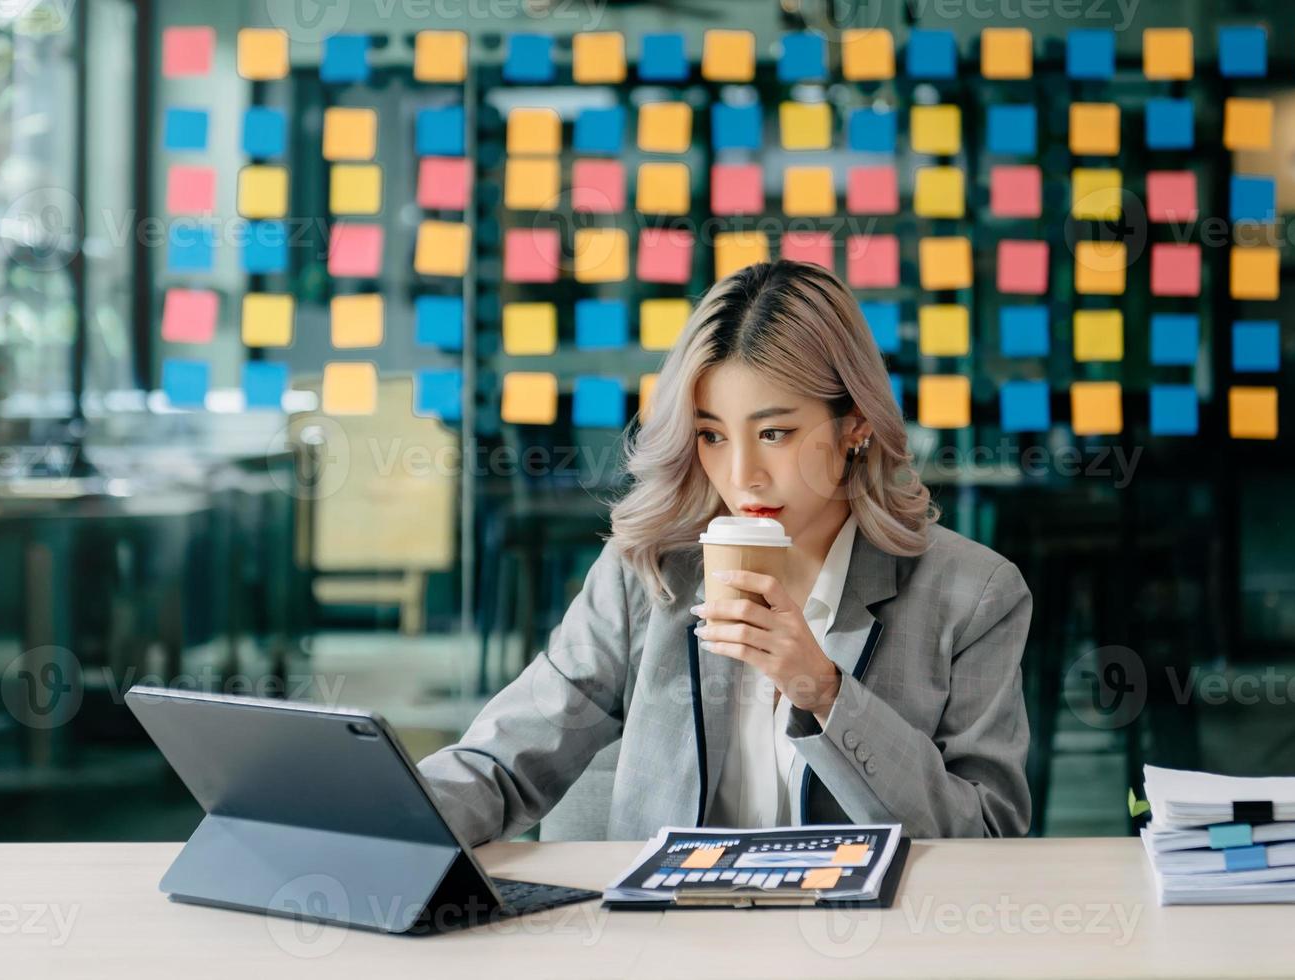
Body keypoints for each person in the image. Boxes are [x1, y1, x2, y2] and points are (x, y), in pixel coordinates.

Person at [419, 260, 1033, 845]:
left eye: (774, 433)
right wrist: (390, 819)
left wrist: (824, 692)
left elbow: (988, 835)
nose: (743, 477)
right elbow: (504, 761)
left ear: (856, 424)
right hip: (669, 941)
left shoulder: (971, 595)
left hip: (863, 941)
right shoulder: (648, 576)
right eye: (711, 435)